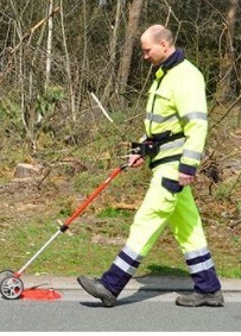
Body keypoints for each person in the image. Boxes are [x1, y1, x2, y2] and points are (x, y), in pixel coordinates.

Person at [77, 24, 224, 308]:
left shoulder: (186, 76)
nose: (144, 56)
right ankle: (208, 289)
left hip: (174, 167)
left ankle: (110, 285)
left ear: (164, 45)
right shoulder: (164, 75)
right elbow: (164, 128)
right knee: (188, 228)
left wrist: (188, 167)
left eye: (147, 50)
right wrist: (142, 149)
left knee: (147, 220)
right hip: (164, 162)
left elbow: (197, 124)